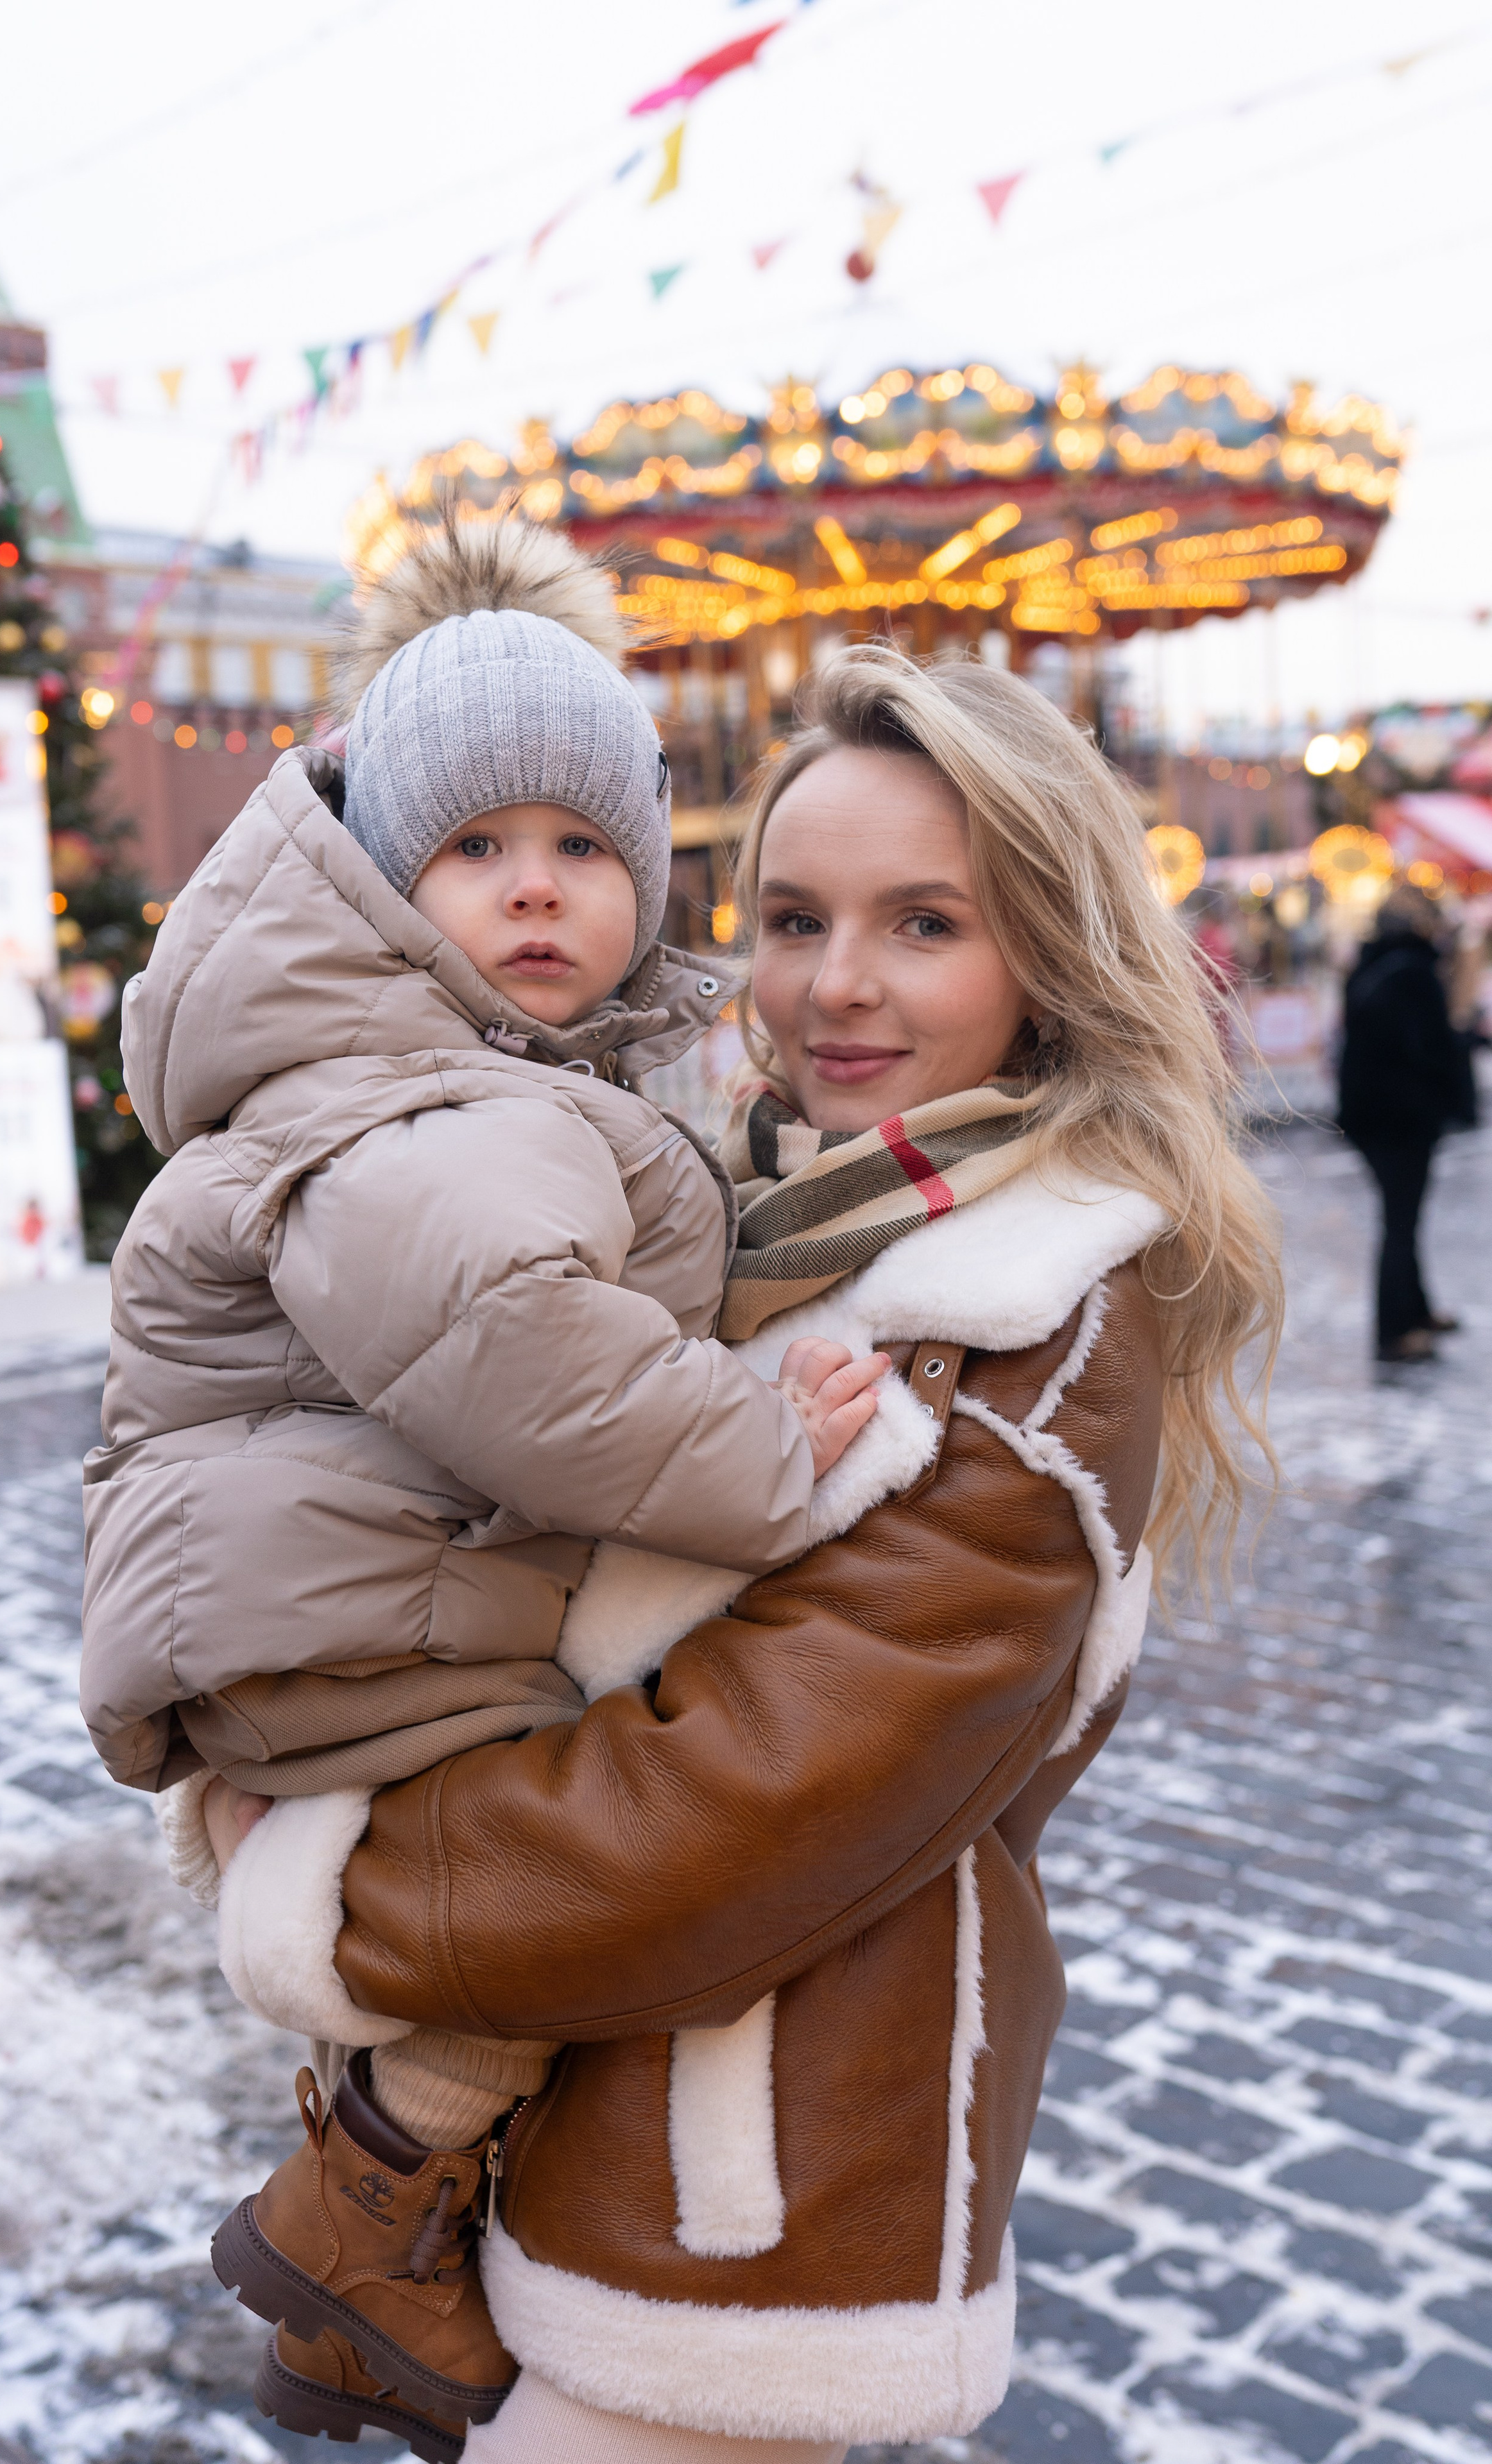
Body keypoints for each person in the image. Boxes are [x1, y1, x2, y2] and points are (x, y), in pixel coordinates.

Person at [206, 644, 1283, 2463]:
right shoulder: (751, 1219)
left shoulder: (1029, 1328)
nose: (834, 988)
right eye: (793, 917)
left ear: (1048, 954)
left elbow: (723, 1812)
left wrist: (324, 1880)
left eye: (925, 924)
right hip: (590, 2122)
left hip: (751, 2218)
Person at [80, 518, 888, 2431]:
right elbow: (511, 1343)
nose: (536, 893)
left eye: (583, 849)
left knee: (548, 1881)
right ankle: (357, 2213)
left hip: (311, 1589)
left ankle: (351, 2254)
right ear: (381, 879)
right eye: (476, 849)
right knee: (597, 1884)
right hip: (347, 1611)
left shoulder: (423, 1059)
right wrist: (765, 1453)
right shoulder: (430, 1095)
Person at [1337, 880, 1475, 1362]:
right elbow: (1429, 1049)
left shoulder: (1370, 965)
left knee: (1404, 1217)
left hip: (1371, 1115)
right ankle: (1395, 1330)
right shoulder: (1415, 974)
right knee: (1401, 1221)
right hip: (1402, 1118)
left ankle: (1415, 1309)